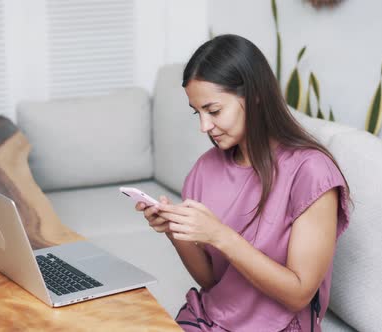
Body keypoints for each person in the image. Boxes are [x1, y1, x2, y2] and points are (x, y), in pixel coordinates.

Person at [135, 34, 350, 332]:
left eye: (213, 111)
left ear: (255, 95)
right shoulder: (205, 169)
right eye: (197, 113)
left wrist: (220, 235)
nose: (204, 127)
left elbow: (299, 294)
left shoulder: (310, 172)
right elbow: (212, 282)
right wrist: (176, 231)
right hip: (208, 319)